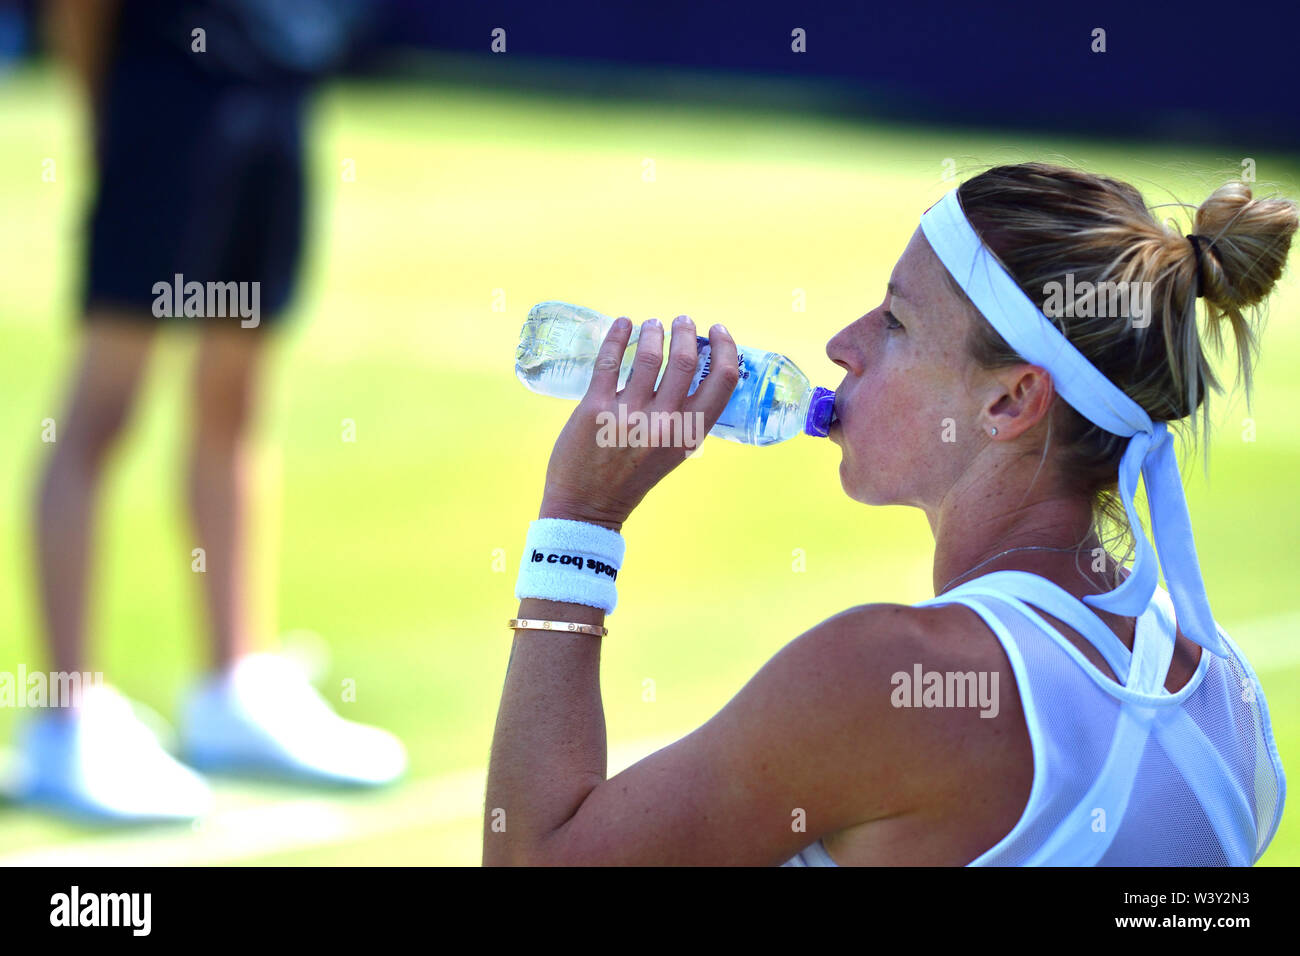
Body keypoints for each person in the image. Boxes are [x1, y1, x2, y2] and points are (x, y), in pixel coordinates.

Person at [483, 162, 1293, 865]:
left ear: (1010, 400)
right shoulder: (1230, 697)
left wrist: (580, 518)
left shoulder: (883, 678)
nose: (842, 343)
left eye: (896, 320)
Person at [15, 0, 404, 823]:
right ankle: (67, 717)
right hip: (162, 93)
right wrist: (105, 106)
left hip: (276, 80)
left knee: (236, 399)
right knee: (104, 409)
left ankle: (233, 685)